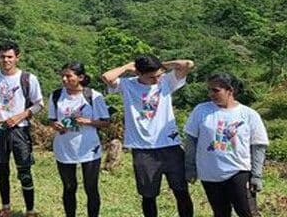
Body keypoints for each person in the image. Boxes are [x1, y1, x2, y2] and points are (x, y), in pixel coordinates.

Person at [101, 55, 195, 217]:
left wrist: (161, 65)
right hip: (143, 148)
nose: (156, 80)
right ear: (138, 73)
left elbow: (188, 64)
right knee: (148, 195)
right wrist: (127, 66)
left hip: (170, 145)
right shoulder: (127, 85)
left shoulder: (166, 81)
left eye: (158, 75)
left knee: (181, 191)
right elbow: (106, 77)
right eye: (151, 77)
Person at [184, 73, 269, 217]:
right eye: (209, 90)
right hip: (210, 173)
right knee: (220, 212)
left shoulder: (248, 114)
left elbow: (258, 146)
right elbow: (191, 140)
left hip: (238, 171)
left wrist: (256, 175)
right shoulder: (201, 110)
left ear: (230, 90)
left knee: (247, 211)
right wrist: (190, 168)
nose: (211, 94)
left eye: (216, 90)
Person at [0, 40, 44, 217]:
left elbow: (39, 104)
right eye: (2, 57)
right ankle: (5, 207)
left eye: (9, 57)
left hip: (20, 130)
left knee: (24, 170)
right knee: (2, 170)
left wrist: (20, 116)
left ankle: (30, 210)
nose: (6, 60)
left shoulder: (28, 78)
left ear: (17, 57)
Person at [48, 62, 110, 217]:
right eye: (62, 75)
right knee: (69, 187)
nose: (64, 79)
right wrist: (56, 125)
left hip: (89, 147)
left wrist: (88, 121)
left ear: (80, 77)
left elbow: (106, 122)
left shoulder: (93, 96)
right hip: (64, 146)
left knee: (91, 187)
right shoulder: (56, 95)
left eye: (68, 76)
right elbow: (52, 120)